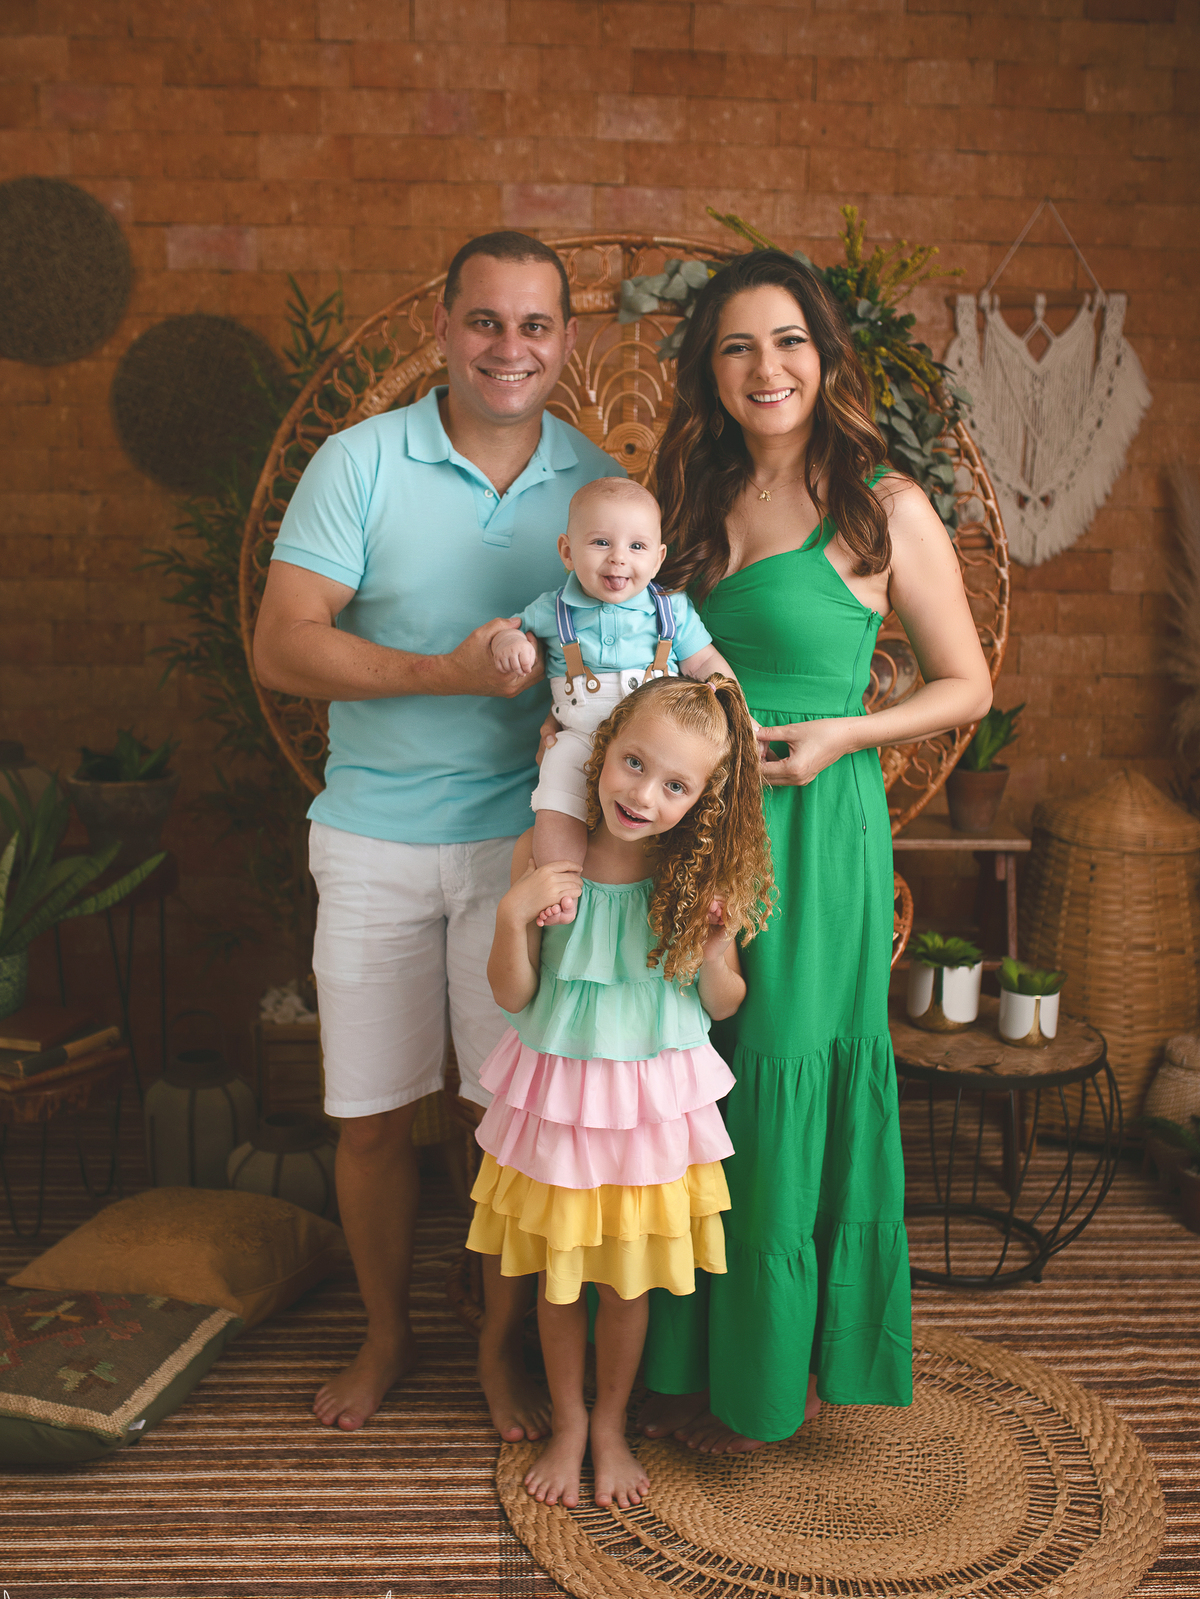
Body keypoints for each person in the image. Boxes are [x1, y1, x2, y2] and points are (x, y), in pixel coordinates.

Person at [251, 231, 624, 1436]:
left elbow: (649, 655)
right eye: (485, 321)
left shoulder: (600, 487)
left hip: (529, 849)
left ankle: (494, 1348)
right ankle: (387, 1333)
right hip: (371, 839)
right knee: (370, 1118)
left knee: (500, 1125)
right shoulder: (359, 461)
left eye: (535, 325)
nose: (509, 348)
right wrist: (446, 674)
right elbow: (283, 643)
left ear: (566, 340)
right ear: (443, 328)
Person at [637, 247, 994, 1452]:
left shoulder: (882, 507)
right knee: (693, 1076)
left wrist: (847, 732)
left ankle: (773, 1376)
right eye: (737, 346)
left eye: (787, 340)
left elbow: (965, 684)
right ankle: (686, 1357)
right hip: (696, 826)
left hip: (815, 827)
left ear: (824, 355)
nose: (766, 366)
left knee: (782, 1071)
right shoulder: (691, 497)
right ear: (711, 370)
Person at [467, 675, 774, 1508]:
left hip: (647, 1115)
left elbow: (723, 1006)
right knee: (561, 1279)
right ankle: (568, 1424)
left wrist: (716, 946)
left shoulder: (692, 879)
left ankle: (609, 1426)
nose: (643, 795)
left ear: (702, 800)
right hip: (562, 1106)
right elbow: (514, 996)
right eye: (634, 764)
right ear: (602, 753)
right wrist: (511, 917)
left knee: (626, 1285)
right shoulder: (547, 859)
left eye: (675, 785)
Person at [490, 476, 735, 925]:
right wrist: (510, 643)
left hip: (657, 741)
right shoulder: (551, 609)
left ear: (658, 558)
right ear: (567, 552)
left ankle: (706, 885)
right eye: (601, 542)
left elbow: (704, 661)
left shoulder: (670, 608)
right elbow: (508, 630)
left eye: (637, 546)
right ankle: (559, 885)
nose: (619, 557)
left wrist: (735, 712)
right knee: (557, 792)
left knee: (698, 793)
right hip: (581, 734)